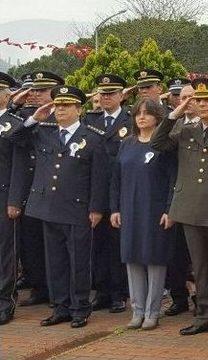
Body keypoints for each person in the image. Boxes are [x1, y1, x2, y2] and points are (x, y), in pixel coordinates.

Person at [2, 85, 108, 328]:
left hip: (77, 208)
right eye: (58, 105)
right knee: (56, 261)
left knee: (78, 261)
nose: (60, 110)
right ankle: (60, 306)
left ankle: (80, 306)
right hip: (48, 207)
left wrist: (96, 208)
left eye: (66, 105)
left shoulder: (91, 137)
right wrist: (32, 119)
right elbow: (12, 139)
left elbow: (99, 177)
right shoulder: (44, 131)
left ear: (78, 109)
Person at [151, 78, 208, 339]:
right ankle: (203, 316)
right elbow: (157, 144)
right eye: (198, 100)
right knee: (200, 267)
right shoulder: (186, 129)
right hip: (190, 208)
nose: (202, 104)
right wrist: (175, 114)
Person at [110, 99, 176, 330]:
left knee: (154, 259)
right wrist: (115, 208)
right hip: (129, 209)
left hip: (155, 210)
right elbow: (116, 179)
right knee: (133, 258)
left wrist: (169, 209)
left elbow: (172, 180)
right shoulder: (126, 144)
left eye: (148, 113)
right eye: (138, 113)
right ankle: (137, 310)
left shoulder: (163, 146)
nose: (142, 117)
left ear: (158, 117)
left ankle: (153, 311)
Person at [9, 71, 65, 307]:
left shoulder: (65, 117)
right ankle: (39, 287)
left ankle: (58, 291)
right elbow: (15, 138)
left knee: (57, 246)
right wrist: (32, 118)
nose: (35, 94)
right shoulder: (28, 116)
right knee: (32, 243)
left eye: (41, 90)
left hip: (60, 191)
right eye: (34, 90)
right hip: (33, 190)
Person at [83, 74, 131, 313]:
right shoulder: (90, 119)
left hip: (120, 188)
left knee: (116, 243)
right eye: (102, 93)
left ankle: (118, 293)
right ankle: (101, 291)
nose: (106, 98)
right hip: (94, 188)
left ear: (121, 95)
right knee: (97, 244)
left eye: (111, 93)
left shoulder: (129, 120)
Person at [164, 84, 196, 317]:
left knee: (200, 257)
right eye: (182, 98)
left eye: (191, 98)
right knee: (176, 253)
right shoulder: (174, 125)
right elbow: (158, 144)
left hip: (201, 199)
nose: (186, 102)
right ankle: (179, 298)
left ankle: (202, 298)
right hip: (176, 195)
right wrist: (174, 115)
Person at [0, 72, 18, 325]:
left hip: (3, 194)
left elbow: (20, 165)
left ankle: (5, 301)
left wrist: (15, 199)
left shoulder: (15, 124)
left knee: (4, 250)